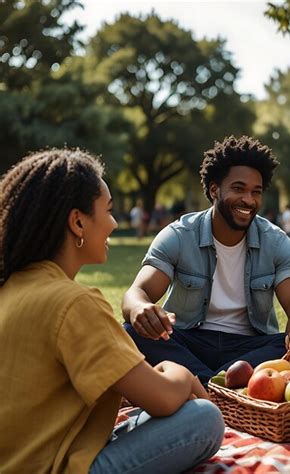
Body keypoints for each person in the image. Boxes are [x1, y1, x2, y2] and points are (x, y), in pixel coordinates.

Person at [0, 149, 224, 473]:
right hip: (53, 467)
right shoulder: (73, 303)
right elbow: (162, 397)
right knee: (204, 418)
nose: (115, 223)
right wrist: (183, 374)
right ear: (78, 222)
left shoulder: (11, 288)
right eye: (107, 210)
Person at [122, 135, 290, 384]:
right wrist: (140, 308)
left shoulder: (276, 241)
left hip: (250, 349)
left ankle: (202, 383)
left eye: (255, 192)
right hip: (190, 342)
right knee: (129, 332)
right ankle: (228, 386)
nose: (248, 199)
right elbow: (137, 292)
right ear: (214, 190)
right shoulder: (179, 235)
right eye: (238, 189)